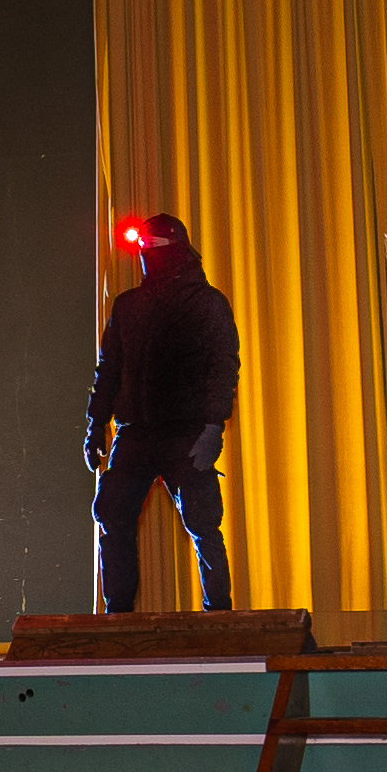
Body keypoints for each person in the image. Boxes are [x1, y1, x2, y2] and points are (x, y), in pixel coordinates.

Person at [86, 207, 241, 614]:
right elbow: (111, 368)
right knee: (112, 514)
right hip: (138, 432)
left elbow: (223, 366)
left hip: (185, 432)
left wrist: (211, 427)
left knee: (203, 523)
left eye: (154, 247)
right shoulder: (131, 306)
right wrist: (96, 423)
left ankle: (218, 617)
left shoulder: (205, 303)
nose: (146, 255)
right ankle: (118, 617)